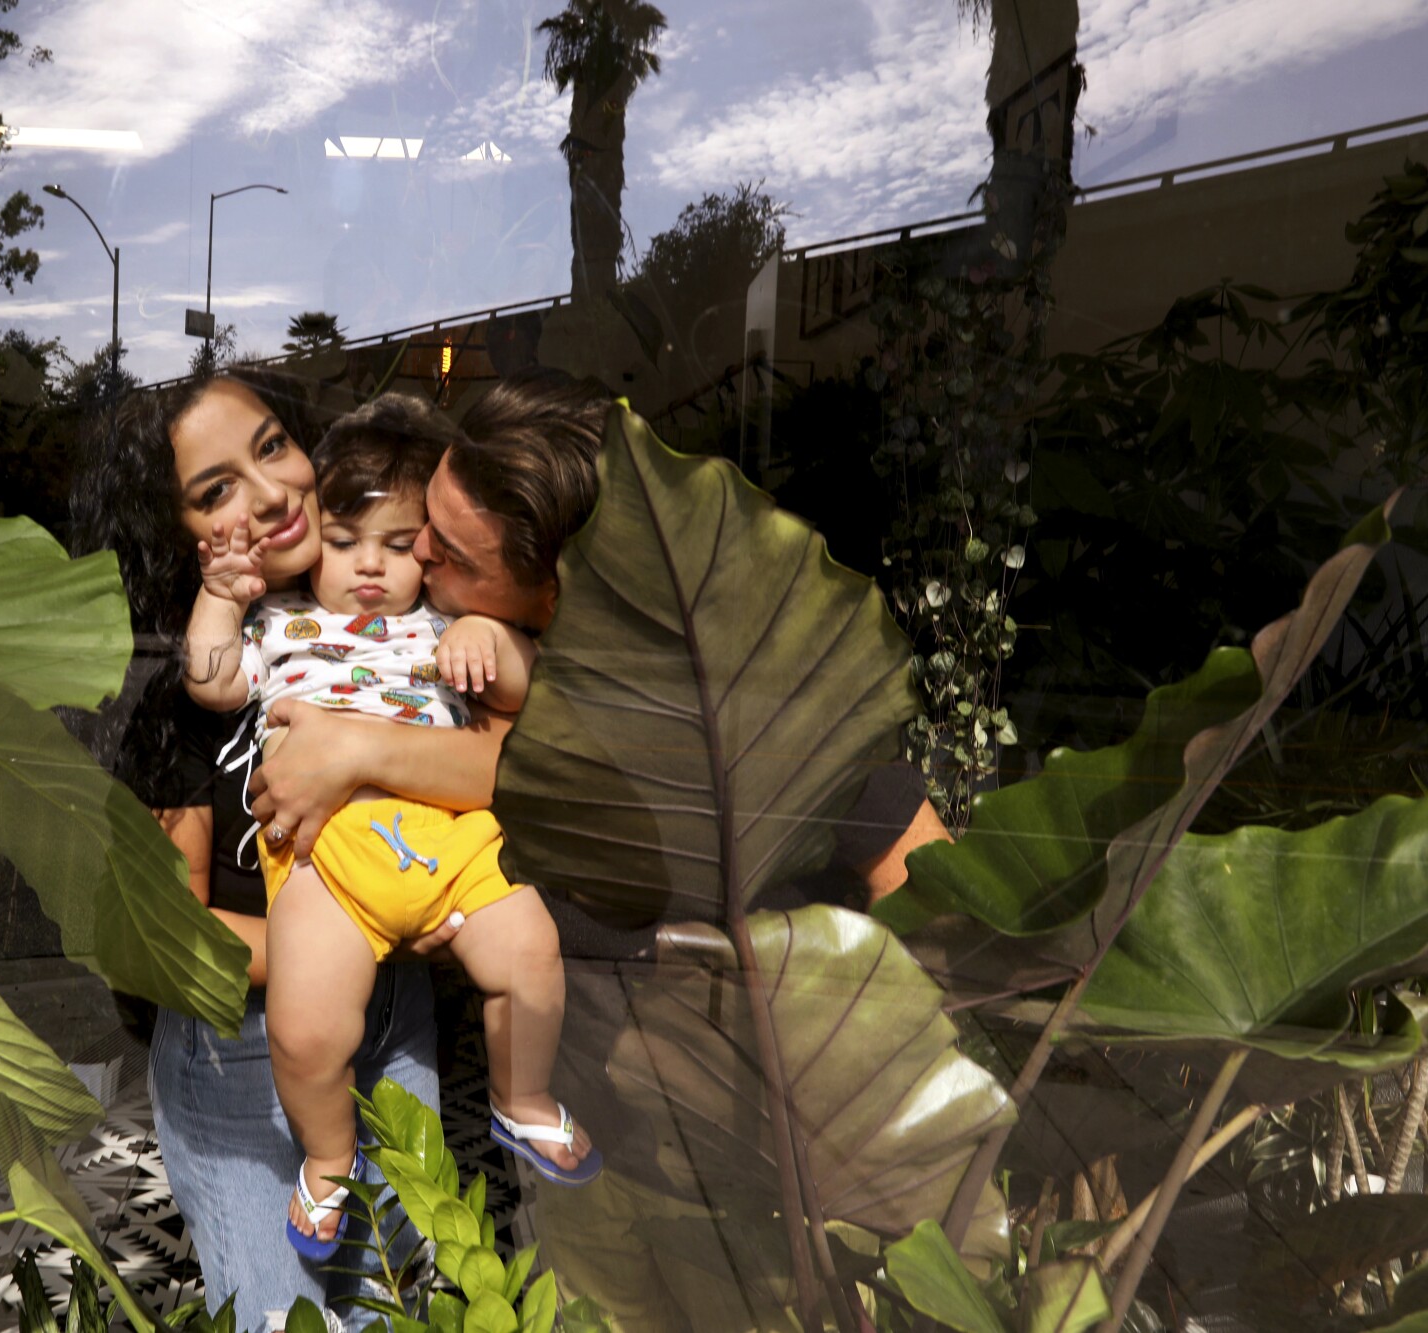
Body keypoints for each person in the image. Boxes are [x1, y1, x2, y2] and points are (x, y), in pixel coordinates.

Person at [247, 370, 956, 1332]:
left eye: (448, 551)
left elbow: (938, 901)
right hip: (584, 1151)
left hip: (756, 1178)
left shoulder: (732, 698)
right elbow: (515, 766)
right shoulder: (462, 653)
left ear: (555, 588)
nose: (413, 554)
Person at [71, 370, 505, 1332]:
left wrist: (362, 750)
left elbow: (502, 768)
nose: (267, 493)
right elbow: (167, 934)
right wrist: (348, 940)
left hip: (397, 1019)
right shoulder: (181, 697)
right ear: (175, 533)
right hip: (248, 1046)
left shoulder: (395, 625)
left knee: (398, 1299)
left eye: (273, 447)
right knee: (290, 1318)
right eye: (214, 489)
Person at [179, 396, 599, 1260]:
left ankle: (522, 1099)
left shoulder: (444, 623)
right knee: (304, 1027)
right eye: (344, 542)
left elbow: (528, 691)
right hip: (329, 860)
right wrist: (218, 601)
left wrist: (494, 638)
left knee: (530, 955)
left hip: (449, 847)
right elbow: (214, 683)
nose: (371, 566)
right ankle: (328, 1159)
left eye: (401, 546)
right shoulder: (282, 622)